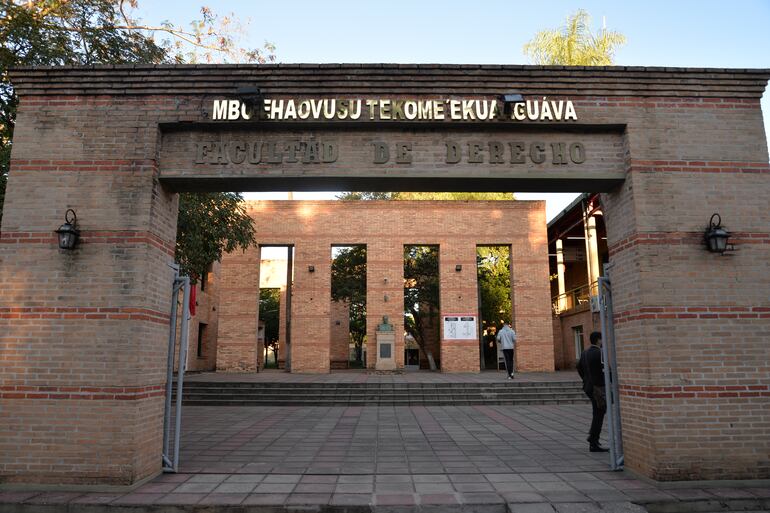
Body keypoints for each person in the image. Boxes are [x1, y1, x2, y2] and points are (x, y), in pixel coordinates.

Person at [577, 331, 609, 452]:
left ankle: (593, 437)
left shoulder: (585, 353)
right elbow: (606, 370)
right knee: (599, 413)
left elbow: (579, 367)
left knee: (598, 411)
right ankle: (593, 440)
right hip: (598, 388)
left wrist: (585, 379)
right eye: (602, 339)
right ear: (598, 340)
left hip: (589, 387)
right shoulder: (600, 353)